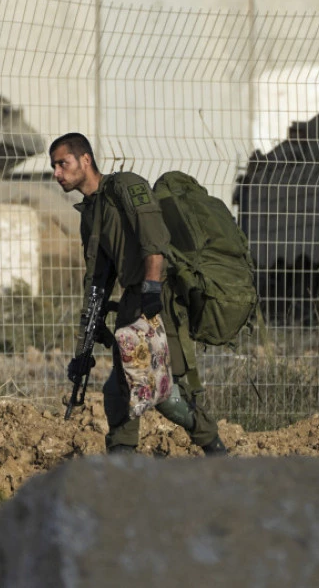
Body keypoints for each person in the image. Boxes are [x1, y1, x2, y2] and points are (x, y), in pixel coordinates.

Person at [49, 132, 227, 456]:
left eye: (63, 163)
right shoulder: (90, 212)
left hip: (158, 297)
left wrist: (152, 289)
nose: (56, 172)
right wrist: (85, 345)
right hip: (132, 302)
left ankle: (216, 448)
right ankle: (122, 464)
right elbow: (97, 280)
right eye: (54, 166)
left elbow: (153, 239)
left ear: (85, 160)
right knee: (120, 391)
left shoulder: (125, 187)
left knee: (164, 394)